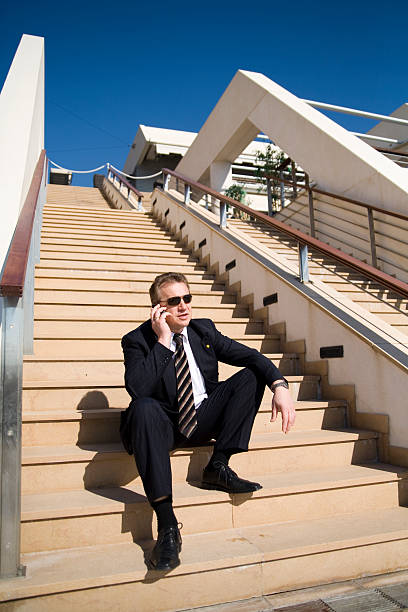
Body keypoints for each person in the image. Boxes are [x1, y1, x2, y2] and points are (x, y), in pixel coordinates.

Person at [120, 272, 295, 571]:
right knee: (144, 407)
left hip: (203, 416)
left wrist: (280, 386)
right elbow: (137, 388)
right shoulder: (137, 340)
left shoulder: (204, 331)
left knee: (252, 375)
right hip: (163, 425)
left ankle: (218, 465)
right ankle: (167, 525)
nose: (184, 307)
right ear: (157, 309)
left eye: (187, 298)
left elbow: (252, 356)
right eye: (173, 301)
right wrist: (163, 341)